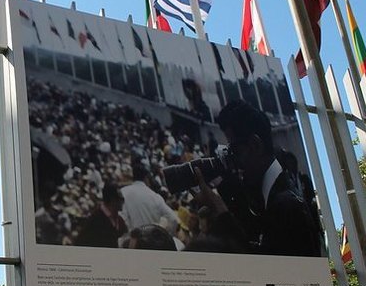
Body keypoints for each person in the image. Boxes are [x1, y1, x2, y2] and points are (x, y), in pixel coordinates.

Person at [193, 100, 322, 257]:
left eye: (234, 151)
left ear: (255, 145)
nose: (233, 162)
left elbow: (262, 265)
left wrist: (221, 212)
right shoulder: (267, 197)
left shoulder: (287, 205)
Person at [120, 162, 180, 236]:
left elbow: (123, 218)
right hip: (151, 242)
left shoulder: (123, 192)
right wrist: (168, 236)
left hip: (130, 241)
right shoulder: (155, 197)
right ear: (146, 178)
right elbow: (174, 219)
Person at [76, 181, 128, 248]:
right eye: (121, 199)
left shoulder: (120, 221)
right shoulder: (95, 221)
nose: (123, 202)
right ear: (113, 200)